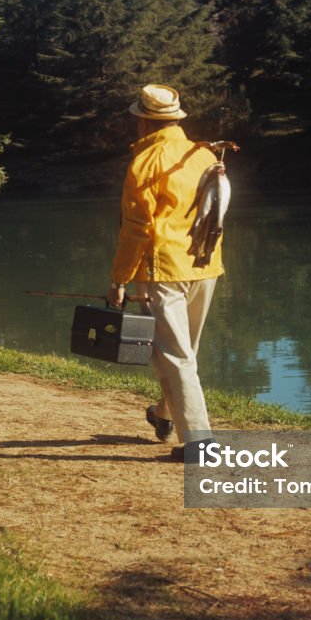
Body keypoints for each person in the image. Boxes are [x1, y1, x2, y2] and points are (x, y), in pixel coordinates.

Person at [105, 84, 225, 460]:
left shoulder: (144, 162)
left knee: (175, 355)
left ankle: (201, 445)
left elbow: (136, 229)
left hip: (164, 269)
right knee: (183, 352)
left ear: (143, 121)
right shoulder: (204, 153)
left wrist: (119, 279)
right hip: (206, 266)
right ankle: (164, 415)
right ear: (175, 119)